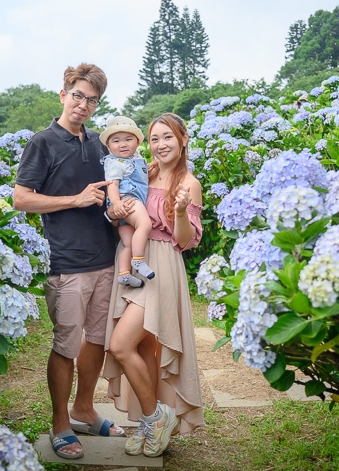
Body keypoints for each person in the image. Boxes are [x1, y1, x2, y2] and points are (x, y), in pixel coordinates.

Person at [13, 63, 135, 460]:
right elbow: (22, 199)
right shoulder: (42, 142)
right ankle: (61, 423)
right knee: (66, 343)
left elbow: (120, 181)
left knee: (97, 340)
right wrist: (75, 199)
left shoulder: (100, 143)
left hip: (105, 258)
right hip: (65, 262)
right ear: (64, 94)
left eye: (92, 100)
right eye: (78, 96)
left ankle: (85, 409)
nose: (84, 105)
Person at [104, 112, 206, 458]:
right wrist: (113, 211)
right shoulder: (141, 170)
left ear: (183, 139)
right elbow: (119, 207)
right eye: (155, 138)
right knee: (144, 350)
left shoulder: (189, 183)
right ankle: (149, 422)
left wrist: (179, 211)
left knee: (121, 345)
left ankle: (155, 417)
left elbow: (185, 241)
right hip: (133, 255)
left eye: (168, 138)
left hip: (160, 264)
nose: (160, 145)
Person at [100, 116, 154, 289]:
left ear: (137, 142)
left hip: (128, 203)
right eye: (116, 141)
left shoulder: (136, 158)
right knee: (145, 225)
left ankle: (124, 273)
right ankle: (138, 260)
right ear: (108, 146)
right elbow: (112, 186)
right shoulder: (116, 163)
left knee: (128, 243)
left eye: (128, 139)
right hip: (129, 200)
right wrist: (116, 203)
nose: (123, 144)